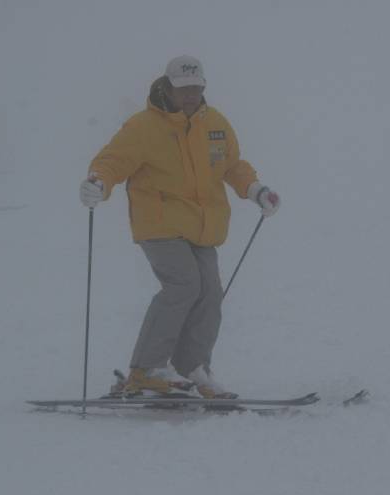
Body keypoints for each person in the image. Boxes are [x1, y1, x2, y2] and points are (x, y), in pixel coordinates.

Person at [80, 55, 280, 398]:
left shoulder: (214, 123)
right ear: (167, 87)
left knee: (210, 294)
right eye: (183, 88)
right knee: (184, 284)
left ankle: (192, 369)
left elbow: (232, 165)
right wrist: (98, 182)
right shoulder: (144, 126)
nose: (190, 95)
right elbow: (113, 161)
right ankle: (146, 369)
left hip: (203, 226)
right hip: (159, 222)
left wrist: (256, 190)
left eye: (196, 88)